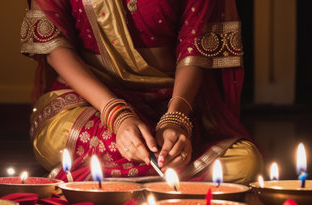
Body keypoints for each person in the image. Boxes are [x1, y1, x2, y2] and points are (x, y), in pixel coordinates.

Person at [21, 0, 263, 184]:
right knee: (54, 139)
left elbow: (195, 46)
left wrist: (175, 118)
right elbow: (54, 46)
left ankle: (115, 182)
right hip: (89, 100)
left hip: (171, 99)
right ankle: (173, 180)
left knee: (244, 161)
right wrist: (117, 114)